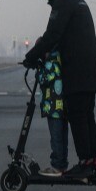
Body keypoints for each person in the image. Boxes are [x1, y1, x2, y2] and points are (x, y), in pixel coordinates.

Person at [23, 0, 96, 178]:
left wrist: (32, 56)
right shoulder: (78, 0)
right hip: (89, 69)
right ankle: (92, 160)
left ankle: (85, 163)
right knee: (86, 116)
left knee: (78, 117)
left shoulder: (64, 1)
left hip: (77, 70)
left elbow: (53, 34)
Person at [36, 46, 69, 177]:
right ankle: (62, 164)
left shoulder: (50, 63)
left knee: (55, 138)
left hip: (53, 108)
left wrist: (39, 68)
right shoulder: (61, 60)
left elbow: (43, 79)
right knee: (62, 137)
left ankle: (57, 166)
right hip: (62, 107)